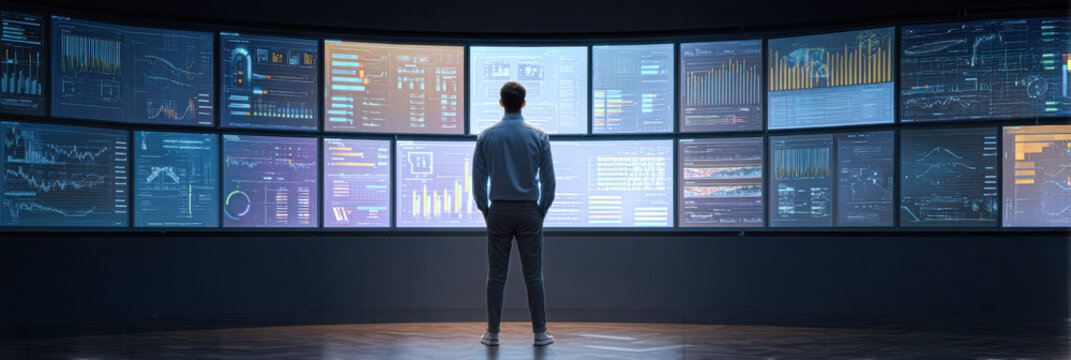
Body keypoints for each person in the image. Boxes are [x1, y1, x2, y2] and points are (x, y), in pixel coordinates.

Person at [472, 81, 556, 346]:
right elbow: (549, 181)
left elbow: (478, 181)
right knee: (534, 275)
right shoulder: (539, 136)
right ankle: (540, 333)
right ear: (523, 103)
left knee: (496, 275)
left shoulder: (486, 136)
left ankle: (493, 333)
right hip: (529, 211)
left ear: (501, 103)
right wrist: (540, 210)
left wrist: (486, 210)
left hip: (498, 210)